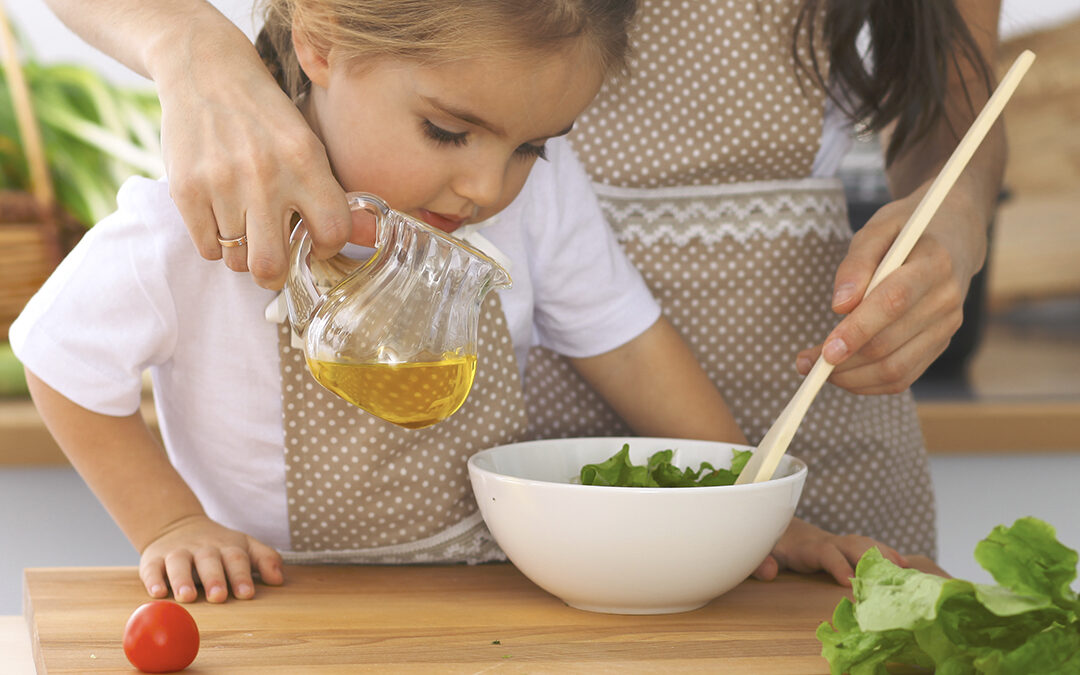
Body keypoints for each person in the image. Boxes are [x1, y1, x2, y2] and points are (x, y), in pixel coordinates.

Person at [42, 0, 1005, 573]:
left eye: (534, 147)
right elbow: (57, 355)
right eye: (450, 133)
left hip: (487, 593)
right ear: (324, 41)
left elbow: (629, 344)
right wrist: (169, 522)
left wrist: (753, 509)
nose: (488, 187)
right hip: (295, 609)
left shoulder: (537, 202)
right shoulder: (192, 220)